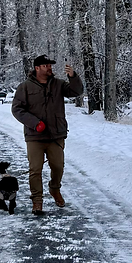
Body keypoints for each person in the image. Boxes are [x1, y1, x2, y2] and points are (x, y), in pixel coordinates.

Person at [11, 54, 84, 215]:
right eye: (46, 66)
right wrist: (34, 123)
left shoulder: (58, 84)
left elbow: (76, 91)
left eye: (50, 65)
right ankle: (37, 200)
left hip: (55, 135)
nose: (50, 68)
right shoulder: (25, 87)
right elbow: (17, 109)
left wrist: (73, 76)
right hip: (34, 136)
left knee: (58, 167)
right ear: (37, 68)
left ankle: (54, 188)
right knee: (35, 169)